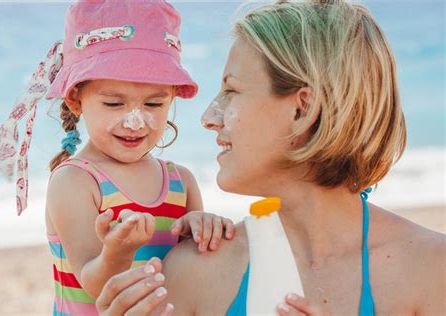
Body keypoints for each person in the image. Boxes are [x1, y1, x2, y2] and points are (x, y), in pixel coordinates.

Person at [94, 0, 446, 315]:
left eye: (231, 91)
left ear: (302, 110)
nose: (209, 117)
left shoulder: (432, 268)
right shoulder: (193, 272)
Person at [0, 1, 235, 315]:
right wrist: (117, 251)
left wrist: (202, 231)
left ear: (172, 97)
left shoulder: (182, 182)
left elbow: (191, 275)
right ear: (76, 100)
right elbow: (94, 285)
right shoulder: (75, 181)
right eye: (113, 104)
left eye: (153, 104)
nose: (135, 121)